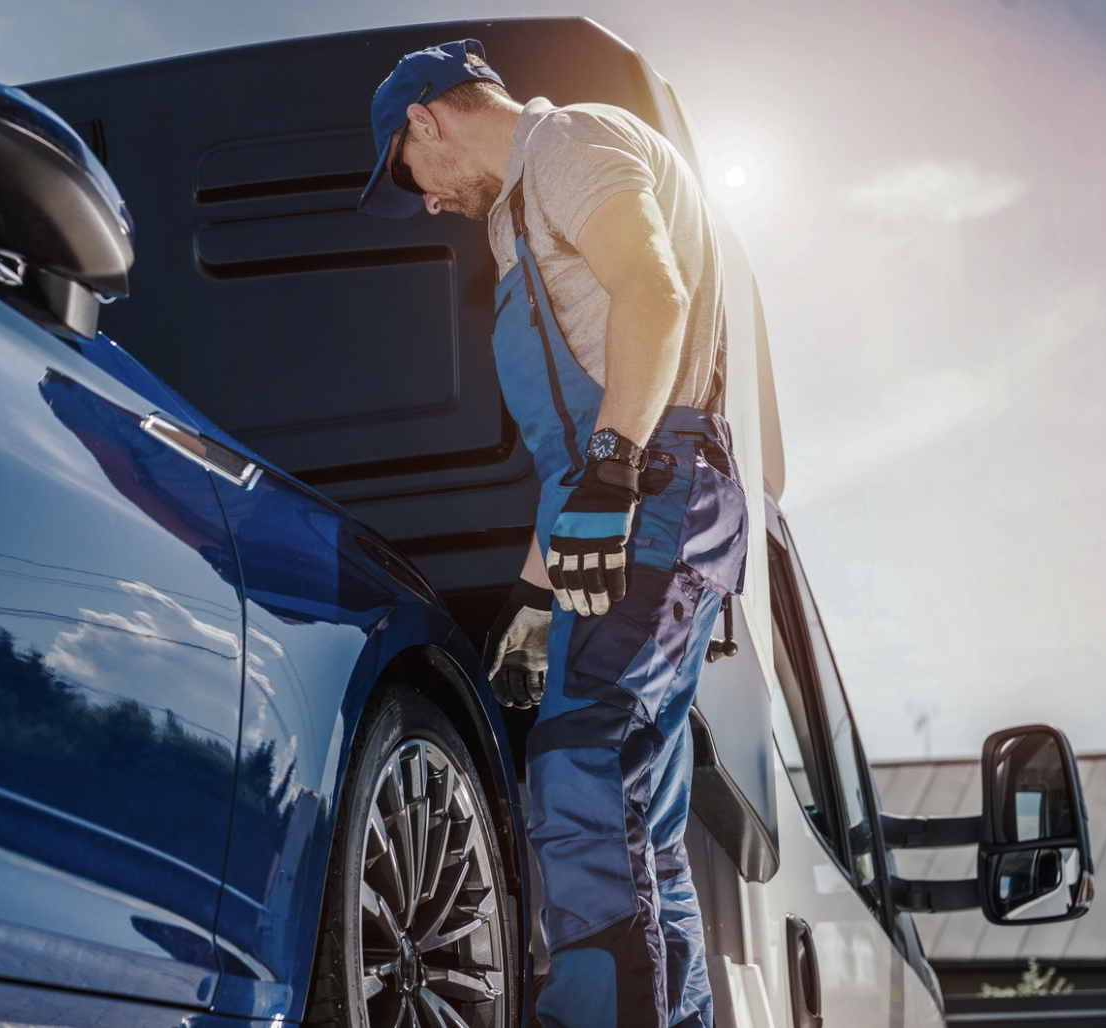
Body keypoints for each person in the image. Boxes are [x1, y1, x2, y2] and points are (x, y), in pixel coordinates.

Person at [357, 40, 748, 1028]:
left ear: (426, 120)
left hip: (654, 496)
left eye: (412, 176)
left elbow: (652, 292)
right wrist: (534, 602)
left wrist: (617, 470)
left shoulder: (569, 141)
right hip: (623, 509)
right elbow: (567, 456)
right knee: (645, 832)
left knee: (579, 758)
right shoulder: (518, 222)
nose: (429, 199)